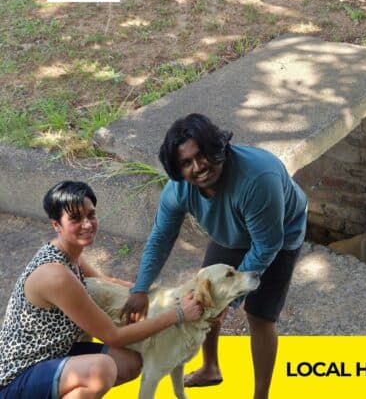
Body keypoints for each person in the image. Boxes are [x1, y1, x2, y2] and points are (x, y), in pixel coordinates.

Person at [120, 113, 308, 399]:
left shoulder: (258, 177)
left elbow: (266, 244)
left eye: (202, 155)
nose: (198, 167)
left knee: (260, 315)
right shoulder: (179, 189)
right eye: (186, 163)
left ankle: (261, 395)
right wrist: (140, 288)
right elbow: (160, 238)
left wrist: (232, 297)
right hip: (230, 233)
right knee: (205, 297)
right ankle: (210, 368)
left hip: (279, 235)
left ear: (216, 146)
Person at [0, 181, 204, 399]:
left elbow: (108, 282)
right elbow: (114, 336)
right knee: (102, 369)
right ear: (56, 225)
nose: (87, 224)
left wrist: (164, 296)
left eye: (91, 215)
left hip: (54, 354)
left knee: (130, 362)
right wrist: (178, 314)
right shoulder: (56, 276)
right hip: (17, 377)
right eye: (76, 219)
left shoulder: (68, 253)